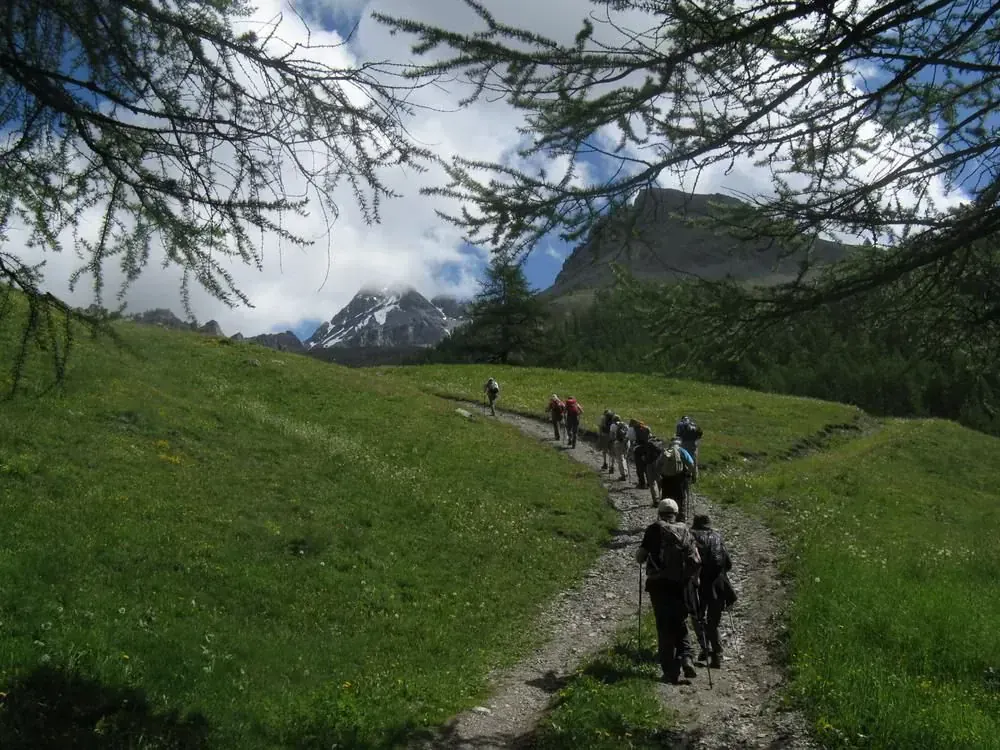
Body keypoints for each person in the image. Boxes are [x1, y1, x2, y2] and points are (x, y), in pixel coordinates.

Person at [635, 498, 702, 684]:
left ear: (660, 512)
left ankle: (670, 672)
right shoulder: (685, 529)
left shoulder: (654, 529)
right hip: (681, 586)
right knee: (680, 622)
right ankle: (687, 658)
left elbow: (640, 557)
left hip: (659, 586)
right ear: (676, 512)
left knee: (664, 626)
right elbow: (695, 559)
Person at [690, 514, 737, 669]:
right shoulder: (717, 537)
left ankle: (707, 648)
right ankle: (716, 655)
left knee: (698, 617)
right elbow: (728, 564)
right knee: (713, 621)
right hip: (718, 584)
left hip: (700, 584)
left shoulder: (692, 536)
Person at [657, 437, 696, 521]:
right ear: (679, 443)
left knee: (666, 498)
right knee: (680, 499)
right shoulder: (682, 451)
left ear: (671, 443)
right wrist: (688, 473)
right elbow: (691, 464)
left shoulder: (667, 451)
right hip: (679, 479)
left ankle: (665, 518)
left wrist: (661, 474)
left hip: (666, 479)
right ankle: (680, 519)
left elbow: (659, 464)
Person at [629, 419, 653, 489]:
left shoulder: (634, 430)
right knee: (646, 466)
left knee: (639, 468)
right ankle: (649, 483)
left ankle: (642, 484)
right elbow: (650, 437)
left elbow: (632, 439)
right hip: (647, 449)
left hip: (638, 449)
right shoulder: (647, 428)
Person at [608, 415, 629, 480]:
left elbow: (611, 436)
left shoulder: (613, 425)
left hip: (618, 443)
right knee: (624, 458)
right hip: (626, 443)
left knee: (619, 459)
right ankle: (626, 472)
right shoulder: (625, 425)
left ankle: (622, 474)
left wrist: (611, 441)